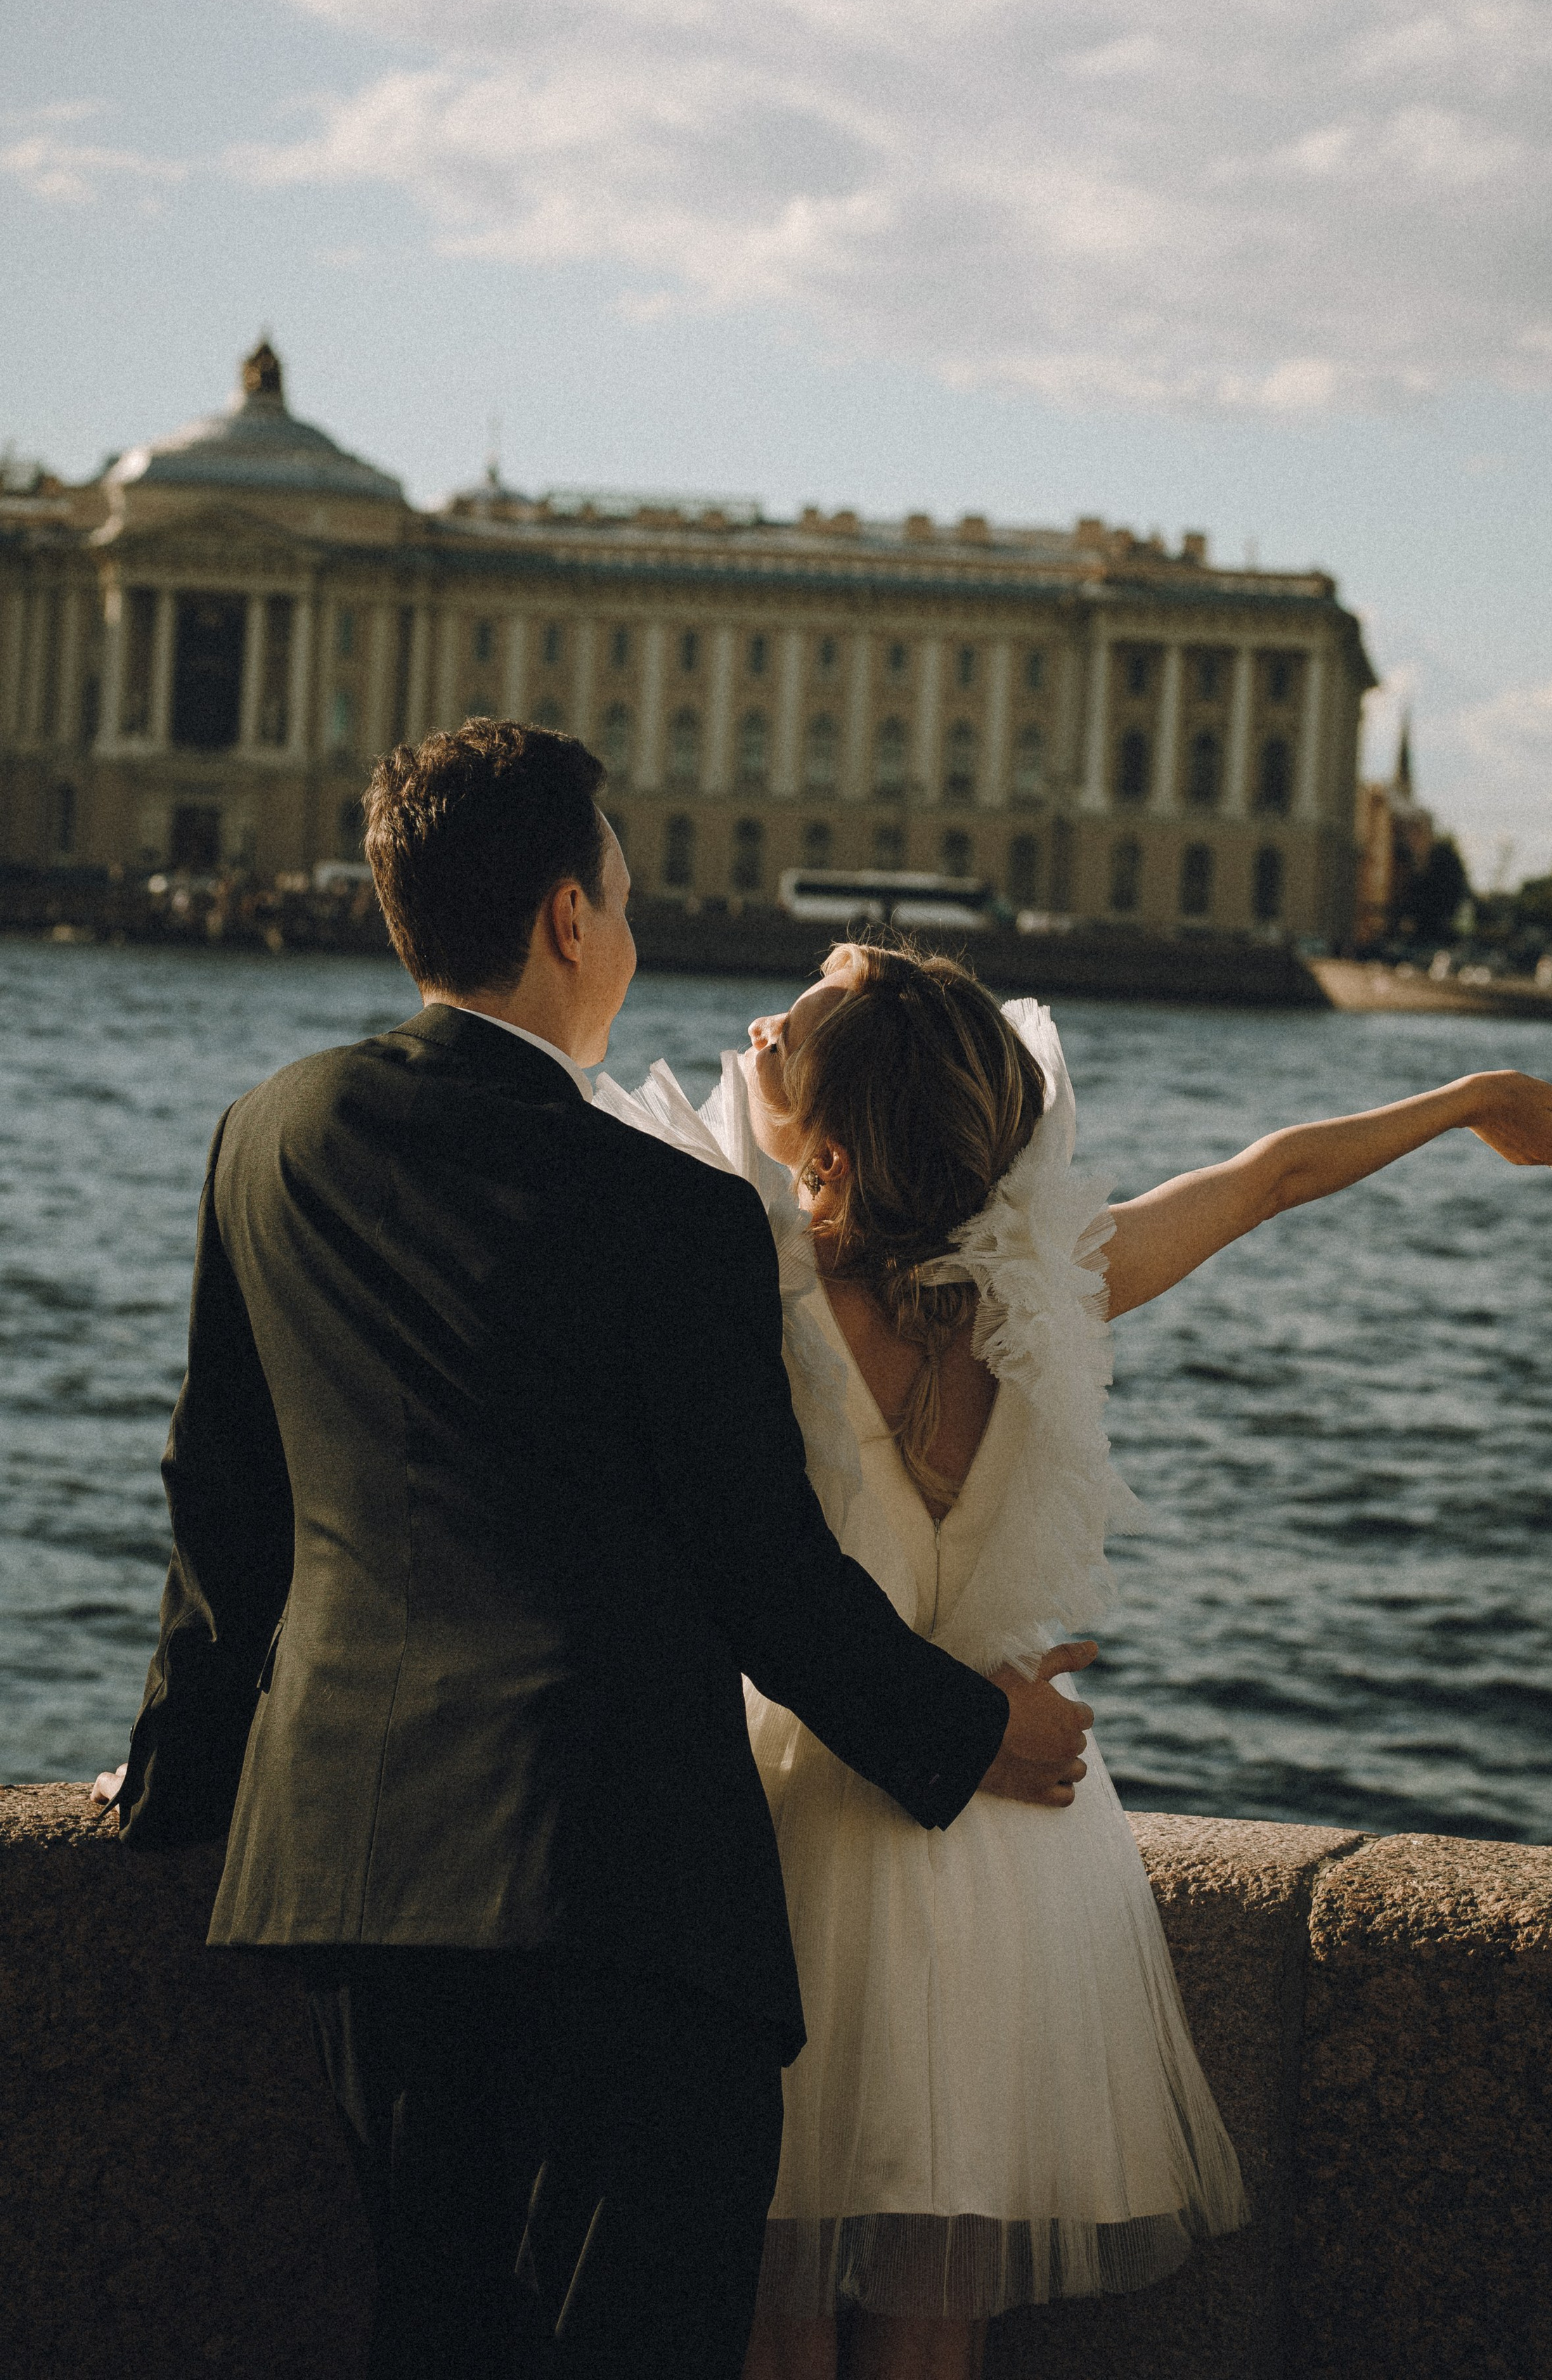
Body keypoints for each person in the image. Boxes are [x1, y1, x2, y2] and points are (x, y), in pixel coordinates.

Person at [92, 721, 1094, 2380]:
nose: (628, 930)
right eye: (621, 899)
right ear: (570, 919)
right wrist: (974, 1726)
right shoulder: (675, 1216)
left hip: (352, 1871)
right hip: (620, 1898)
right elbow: (764, 1576)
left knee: (431, 2329)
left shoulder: (272, 1132)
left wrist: (176, 1764)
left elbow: (225, 1496)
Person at [593, 939, 1552, 2380]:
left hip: (793, 1828)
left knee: (770, 2313)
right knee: (933, 2321)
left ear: (827, 1148)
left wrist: (794, 1105)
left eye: (784, 1040)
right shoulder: (1053, 1288)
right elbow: (1270, 1176)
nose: (758, 1036)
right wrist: (1469, 1097)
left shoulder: (751, 1304)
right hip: (1007, 1853)